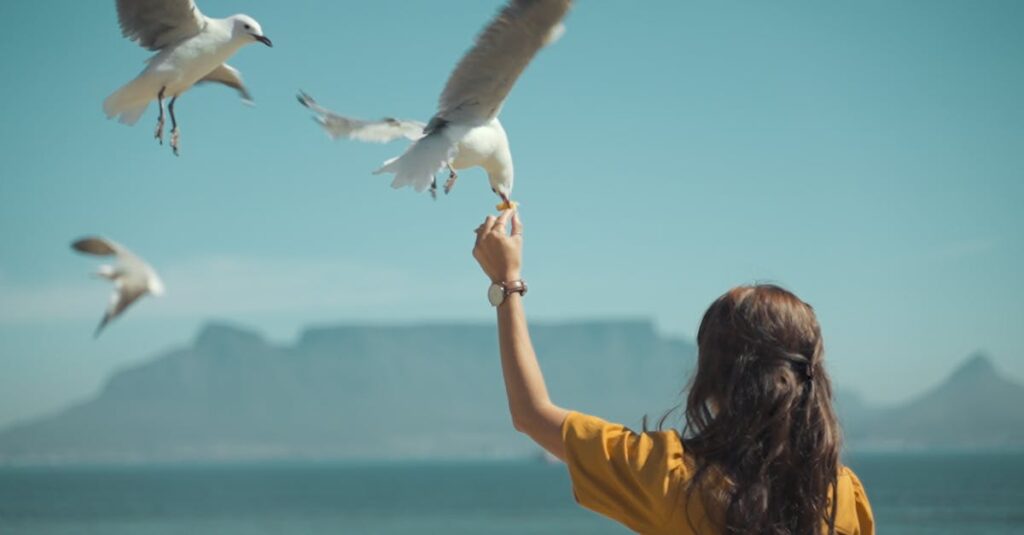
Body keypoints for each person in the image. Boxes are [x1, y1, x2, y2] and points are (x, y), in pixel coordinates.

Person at [471, 210, 875, 535]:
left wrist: (506, 284)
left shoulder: (669, 477)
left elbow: (531, 413)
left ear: (715, 377)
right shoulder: (841, 496)